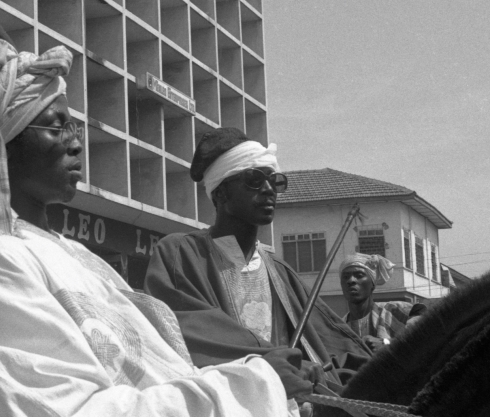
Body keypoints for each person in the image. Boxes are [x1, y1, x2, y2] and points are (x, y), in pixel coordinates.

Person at [0, 11, 312, 417]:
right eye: (56, 126)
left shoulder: (77, 257)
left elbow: (161, 376)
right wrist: (254, 387)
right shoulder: (0, 263)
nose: (76, 142)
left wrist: (258, 377)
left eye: (74, 127)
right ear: (1, 143)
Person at [144, 128, 371, 389]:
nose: (268, 189)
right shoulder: (179, 253)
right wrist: (274, 362)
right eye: (254, 179)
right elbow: (184, 329)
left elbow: (330, 340)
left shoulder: (280, 271)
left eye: (274, 181)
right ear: (221, 193)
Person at [339, 253, 426, 352]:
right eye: (345, 277)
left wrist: (386, 343)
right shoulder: (339, 328)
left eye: (359, 275)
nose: (351, 281)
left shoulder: (397, 311)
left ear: (372, 283)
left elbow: (426, 338)